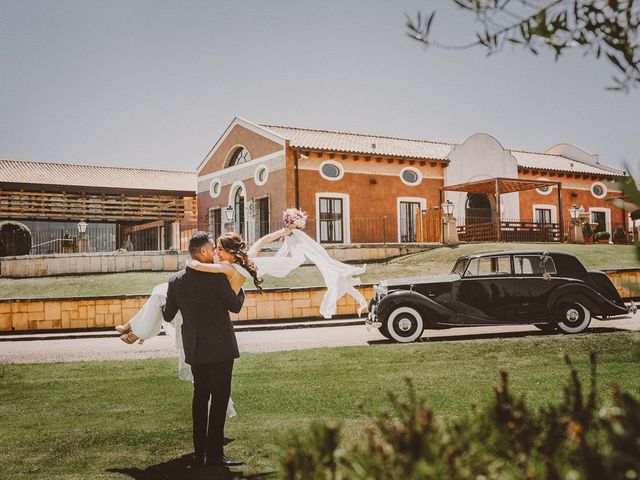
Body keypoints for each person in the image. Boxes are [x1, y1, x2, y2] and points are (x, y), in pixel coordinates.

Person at [162, 231, 245, 467]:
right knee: (219, 400)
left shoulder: (175, 281)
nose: (215, 253)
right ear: (203, 252)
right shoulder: (218, 278)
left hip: (196, 347)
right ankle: (215, 455)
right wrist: (240, 285)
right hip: (220, 348)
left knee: (200, 398)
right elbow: (236, 306)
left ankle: (199, 454)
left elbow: (168, 315)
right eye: (212, 248)